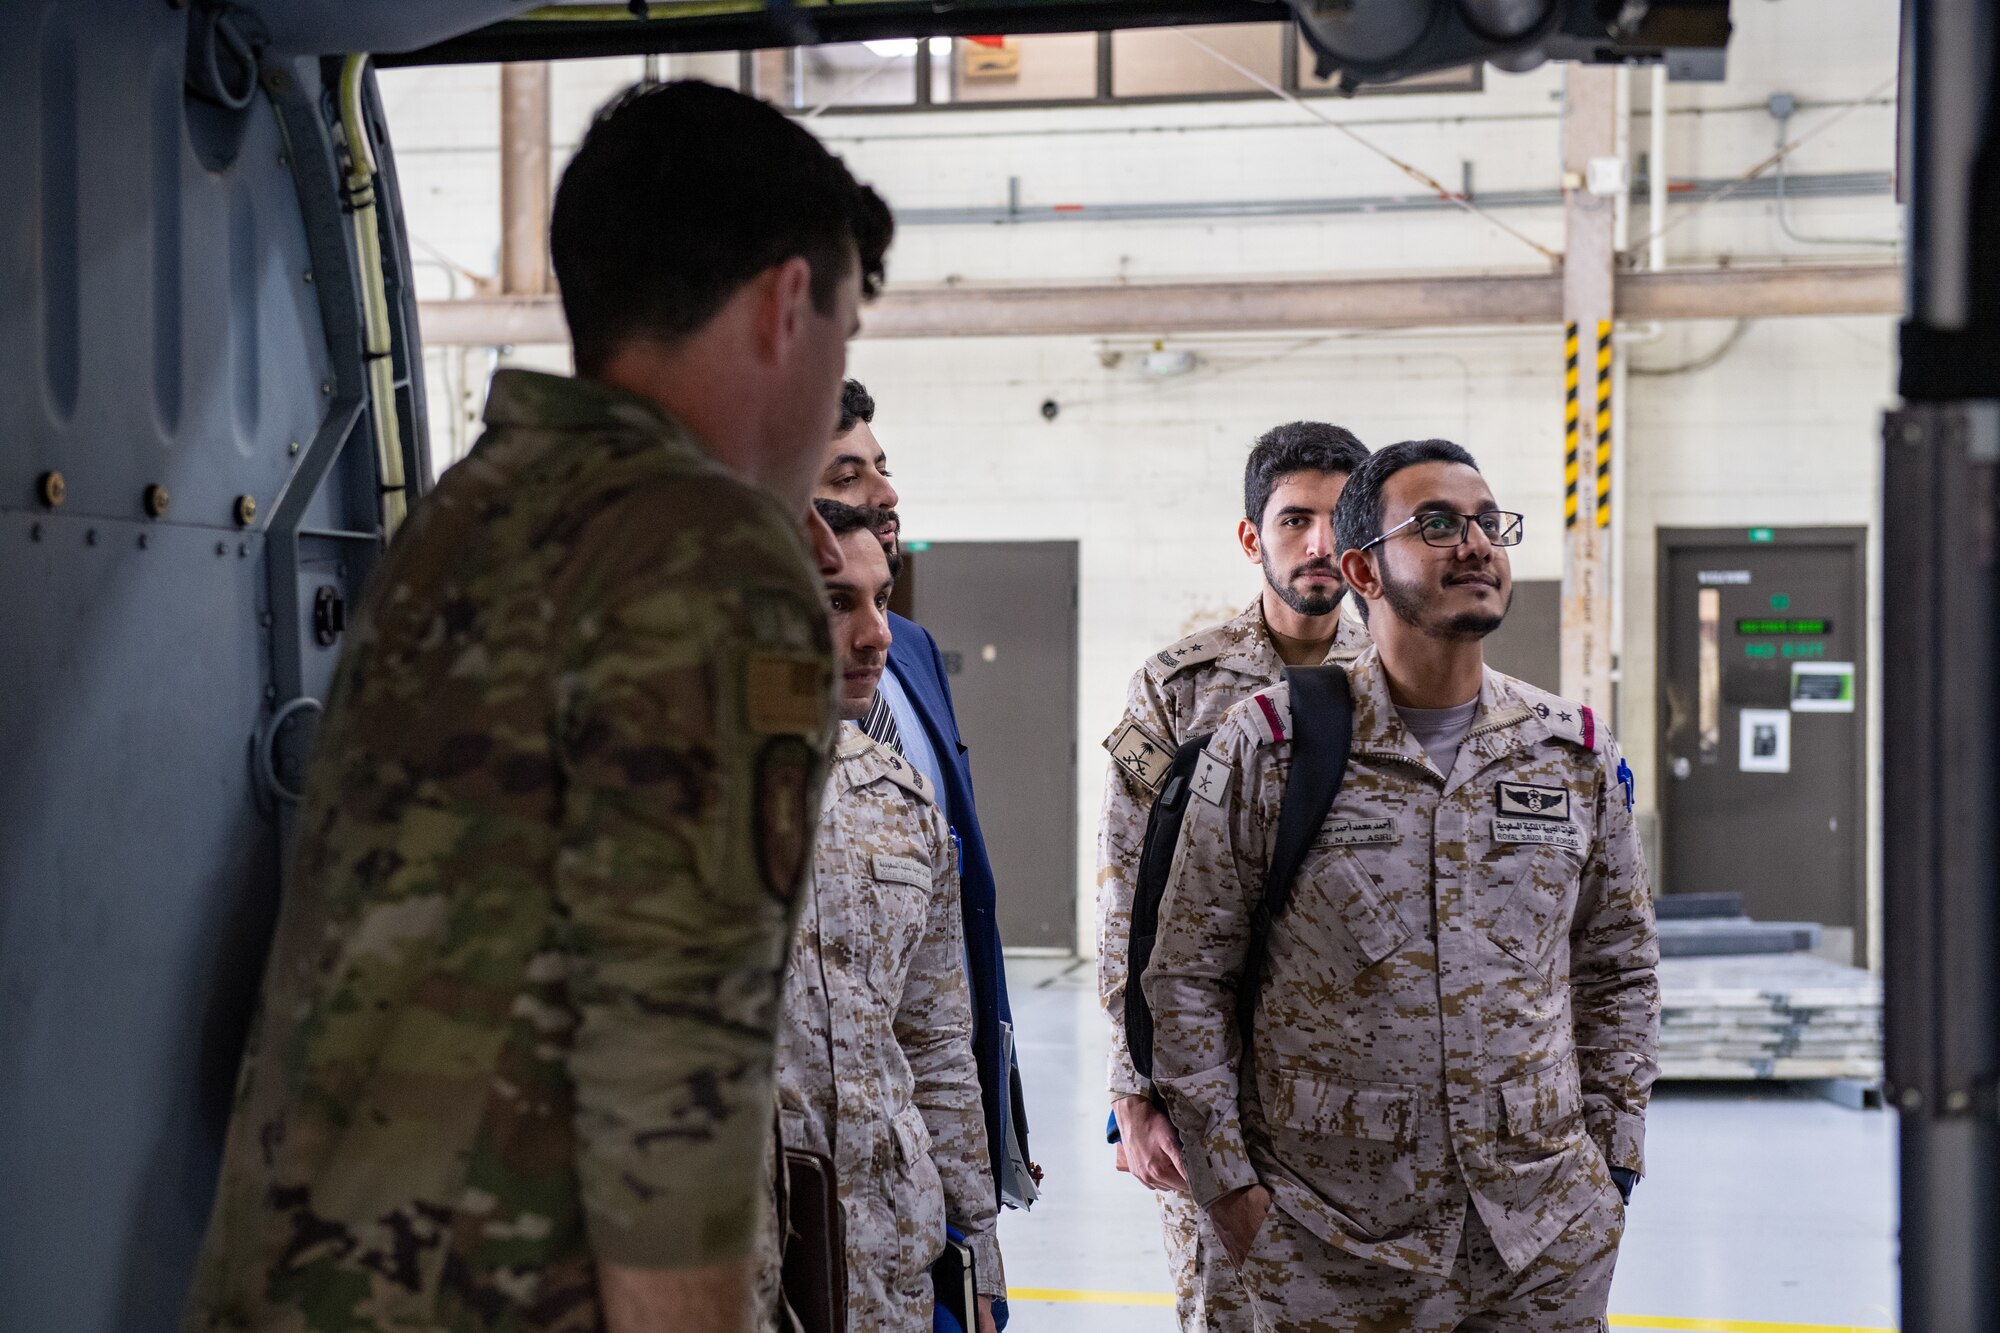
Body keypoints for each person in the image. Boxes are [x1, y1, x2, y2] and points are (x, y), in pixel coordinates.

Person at [181, 81, 892, 1333]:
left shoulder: (468, 516)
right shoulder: (706, 556)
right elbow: (672, 1070)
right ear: (790, 303)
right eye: (840, 330)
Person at [1143, 439, 1660, 1332]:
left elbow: (1619, 969)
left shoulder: (1569, 749)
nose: (1476, 545)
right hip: (1331, 1242)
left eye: (1489, 524)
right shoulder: (1271, 746)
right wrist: (1231, 1195)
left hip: (1540, 1241)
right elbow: (1187, 976)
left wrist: (1610, 1169)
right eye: (1436, 525)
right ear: (1361, 570)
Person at [1095, 422, 1372, 1332]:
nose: (1320, 545)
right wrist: (1133, 1091)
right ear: (1253, 538)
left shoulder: (1407, 680)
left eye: (1340, 520)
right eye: (1295, 521)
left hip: (1374, 1087)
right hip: (1214, 1084)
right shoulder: (1180, 689)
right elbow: (1126, 892)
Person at [770, 501, 1003, 1333]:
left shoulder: (898, 799)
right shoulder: (661, 800)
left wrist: (977, 1248)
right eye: (837, 602)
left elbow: (936, 1045)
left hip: (888, 1265)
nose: (876, 634)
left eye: (881, 598)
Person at [813, 380, 1036, 1226]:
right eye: (848, 471)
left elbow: (954, 898)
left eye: (882, 466)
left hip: (921, 1122)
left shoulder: (906, 648)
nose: (884, 492)